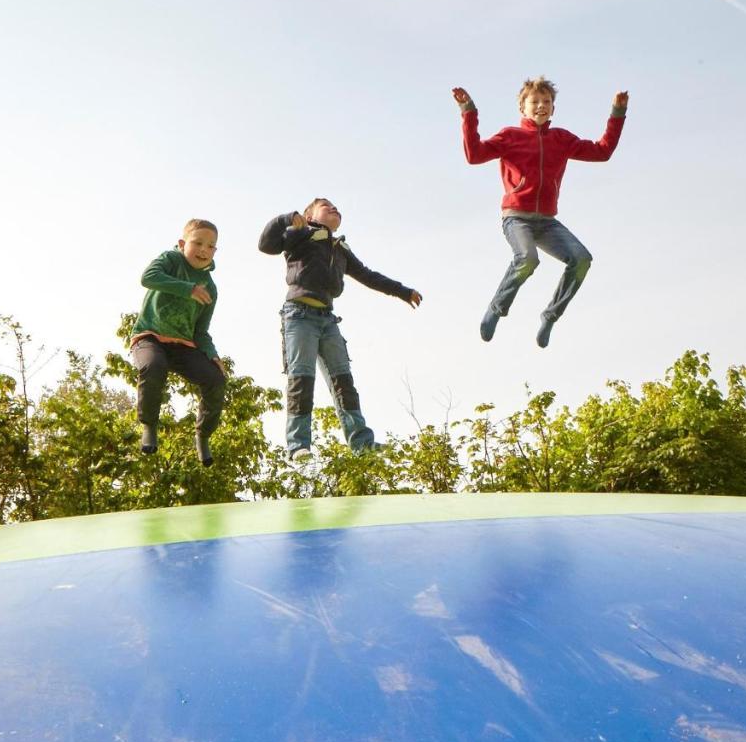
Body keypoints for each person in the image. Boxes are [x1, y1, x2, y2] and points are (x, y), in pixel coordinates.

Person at [452, 77, 629, 347]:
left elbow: (602, 152)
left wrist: (617, 113)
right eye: (534, 102)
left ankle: (550, 316)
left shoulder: (561, 139)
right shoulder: (510, 136)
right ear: (522, 107)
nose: (541, 106)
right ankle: (496, 309)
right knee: (528, 258)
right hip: (516, 218)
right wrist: (469, 112)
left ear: (553, 109)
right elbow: (474, 154)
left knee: (581, 259)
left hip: (547, 223)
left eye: (547, 102)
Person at [258, 198, 422, 460]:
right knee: (301, 378)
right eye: (326, 205)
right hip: (299, 317)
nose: (334, 208)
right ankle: (298, 445)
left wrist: (402, 291)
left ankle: (361, 443)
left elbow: (369, 276)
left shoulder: (340, 247)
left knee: (343, 381)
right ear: (310, 214)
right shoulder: (301, 234)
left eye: (336, 207)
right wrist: (286, 218)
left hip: (327, 319)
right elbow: (266, 245)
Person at [129, 219, 226, 466]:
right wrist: (187, 289)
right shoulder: (171, 260)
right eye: (198, 243)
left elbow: (201, 331)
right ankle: (149, 425)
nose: (204, 250)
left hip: (183, 345)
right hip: (149, 337)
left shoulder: (210, 289)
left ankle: (203, 436)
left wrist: (213, 355)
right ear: (183, 243)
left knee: (216, 379)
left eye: (211, 246)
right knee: (153, 366)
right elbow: (148, 277)